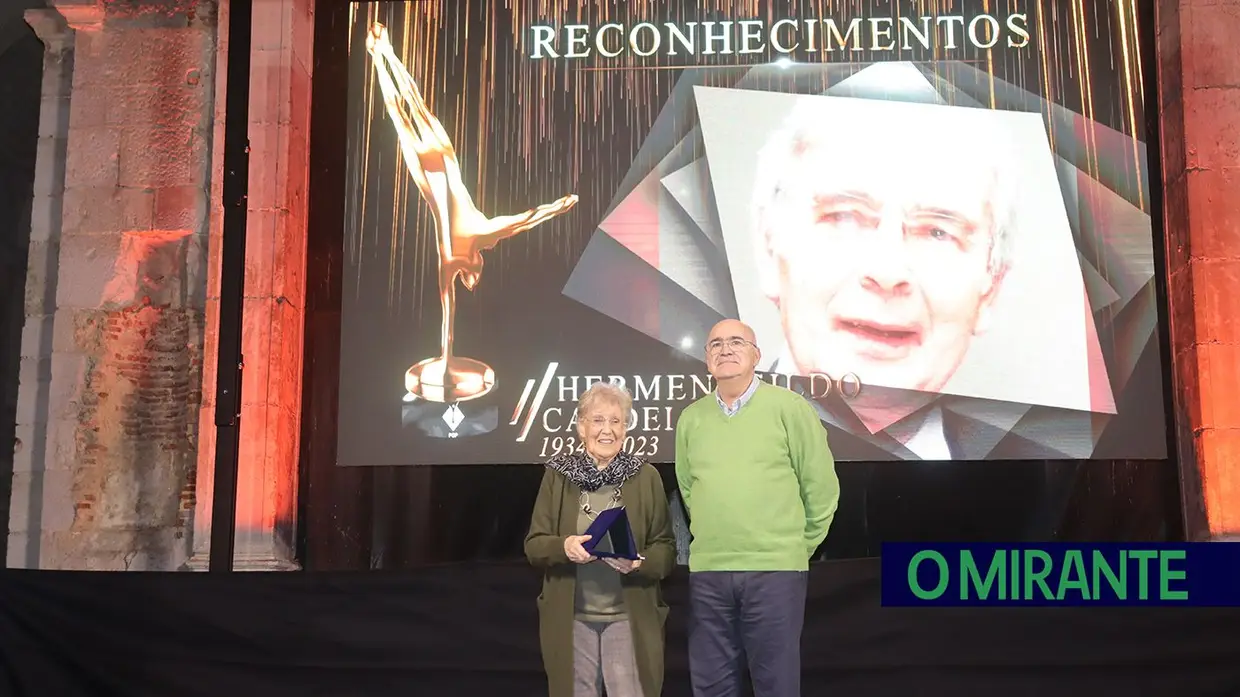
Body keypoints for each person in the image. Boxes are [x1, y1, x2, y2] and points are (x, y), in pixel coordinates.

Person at [675, 318, 839, 697]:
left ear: (757, 355)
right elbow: (689, 489)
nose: (725, 349)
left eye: (737, 342)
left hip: (775, 572)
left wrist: (794, 547)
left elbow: (821, 488)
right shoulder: (691, 419)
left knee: (776, 685)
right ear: (706, 359)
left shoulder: (790, 408)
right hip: (710, 573)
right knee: (712, 686)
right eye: (715, 344)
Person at [526, 382, 677, 697]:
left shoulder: (646, 477)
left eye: (616, 421)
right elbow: (535, 545)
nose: (607, 430)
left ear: (625, 428)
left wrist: (639, 563)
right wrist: (564, 547)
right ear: (582, 427)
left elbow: (666, 550)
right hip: (572, 619)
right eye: (598, 420)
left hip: (628, 617)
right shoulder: (558, 476)